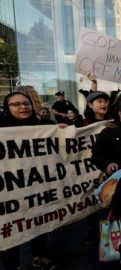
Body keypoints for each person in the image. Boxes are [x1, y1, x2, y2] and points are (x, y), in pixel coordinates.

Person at [0, 92, 57, 270]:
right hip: (9, 189)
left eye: (26, 103)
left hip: (36, 187)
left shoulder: (44, 126)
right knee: (10, 228)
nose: (23, 107)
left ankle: (39, 256)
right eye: (16, 104)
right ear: (6, 108)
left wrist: (63, 130)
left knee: (37, 222)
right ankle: (12, 264)